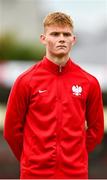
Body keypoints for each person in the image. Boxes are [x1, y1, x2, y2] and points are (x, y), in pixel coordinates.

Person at [4, 12, 104, 179]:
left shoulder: (89, 82)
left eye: (66, 34)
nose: (62, 38)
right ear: (43, 38)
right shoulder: (25, 80)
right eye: (55, 34)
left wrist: (75, 156)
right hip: (34, 174)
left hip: (75, 174)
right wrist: (31, 158)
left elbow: (96, 130)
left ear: (74, 39)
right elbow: (11, 130)